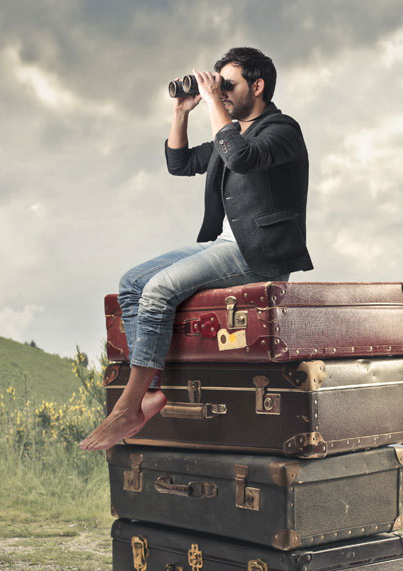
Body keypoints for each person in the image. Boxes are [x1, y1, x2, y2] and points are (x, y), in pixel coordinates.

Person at [79, 47, 313, 451]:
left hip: (258, 253)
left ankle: (129, 405)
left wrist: (211, 103)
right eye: (217, 85)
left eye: (229, 85)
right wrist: (182, 111)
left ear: (257, 87)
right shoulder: (232, 134)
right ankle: (151, 391)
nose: (220, 93)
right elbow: (181, 162)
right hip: (226, 246)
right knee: (132, 283)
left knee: (158, 290)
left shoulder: (282, 130)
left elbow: (241, 158)